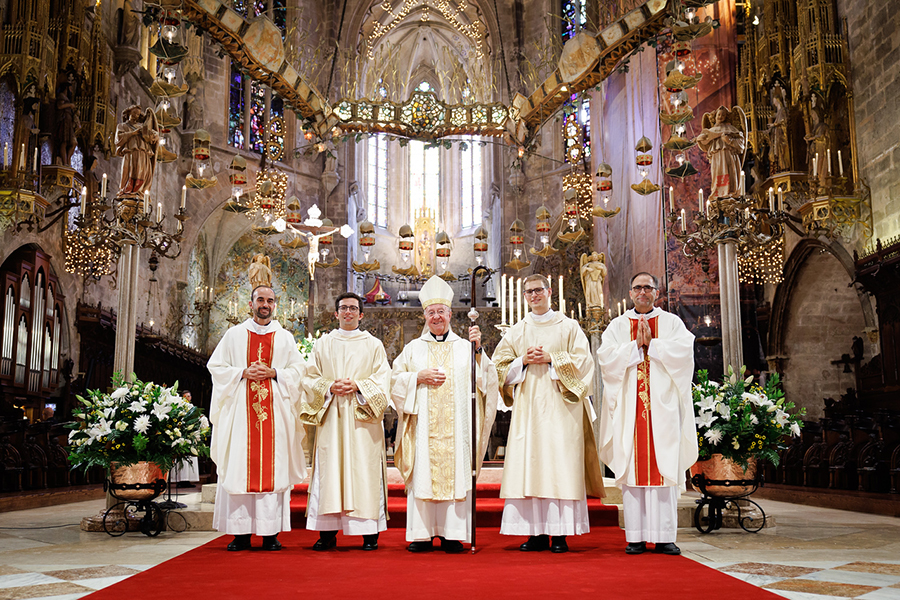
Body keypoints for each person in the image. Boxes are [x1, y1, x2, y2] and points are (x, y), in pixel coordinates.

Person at [492, 274, 605, 554]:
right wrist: (523, 361)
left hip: (562, 409)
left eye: (538, 290)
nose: (534, 295)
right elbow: (498, 365)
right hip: (528, 409)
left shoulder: (568, 326)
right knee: (532, 464)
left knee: (560, 465)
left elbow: (585, 361)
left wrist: (553, 359)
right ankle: (536, 533)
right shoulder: (518, 330)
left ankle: (560, 534)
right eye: (529, 292)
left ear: (549, 291)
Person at [390, 275, 499, 553]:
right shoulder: (413, 349)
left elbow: (487, 381)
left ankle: (452, 534)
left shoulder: (466, 347)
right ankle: (422, 534)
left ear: (450, 315)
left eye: (441, 312)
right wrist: (416, 377)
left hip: (457, 431)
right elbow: (394, 381)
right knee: (424, 474)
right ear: (424, 316)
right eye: (431, 312)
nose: (436, 317)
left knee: (456, 474)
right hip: (423, 428)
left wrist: (480, 351)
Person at [597, 273, 697, 556]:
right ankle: (636, 537)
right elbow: (606, 359)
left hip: (662, 408)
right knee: (632, 470)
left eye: (648, 287)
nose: (643, 292)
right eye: (638, 287)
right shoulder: (617, 326)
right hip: (630, 407)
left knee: (663, 468)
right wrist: (634, 347)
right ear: (630, 293)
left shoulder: (671, 323)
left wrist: (653, 345)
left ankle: (665, 537)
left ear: (657, 292)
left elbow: (684, 354)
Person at [207, 285, 307, 551]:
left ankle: (270, 533)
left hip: (275, 414)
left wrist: (274, 373)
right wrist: (243, 372)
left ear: (276, 305)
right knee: (240, 466)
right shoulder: (234, 335)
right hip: (241, 413)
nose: (265, 304)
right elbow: (215, 367)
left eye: (270, 300)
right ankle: (240, 534)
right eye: (260, 299)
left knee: (273, 468)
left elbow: (299, 370)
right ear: (250, 304)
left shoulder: (285, 337)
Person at [300, 292, 391, 551]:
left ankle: (369, 532)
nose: (348, 312)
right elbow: (308, 378)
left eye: (353, 308)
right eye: (343, 308)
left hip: (363, 422)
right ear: (336, 313)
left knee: (364, 471)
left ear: (361, 314)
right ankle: (327, 533)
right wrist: (329, 387)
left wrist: (359, 386)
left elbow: (384, 379)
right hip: (331, 419)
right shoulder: (323, 344)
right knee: (330, 471)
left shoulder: (373, 345)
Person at [695, 106, 745, 199]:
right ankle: (718, 193)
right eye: (719, 114)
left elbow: (741, 143)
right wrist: (700, 140)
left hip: (730, 156)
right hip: (717, 157)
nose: (720, 117)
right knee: (718, 173)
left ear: (726, 117)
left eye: (723, 115)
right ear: (715, 116)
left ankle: (731, 191)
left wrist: (729, 141)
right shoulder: (710, 131)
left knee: (730, 173)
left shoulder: (731, 129)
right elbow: (705, 145)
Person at [115, 105, 159, 198]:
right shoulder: (122, 126)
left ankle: (138, 190)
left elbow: (152, 136)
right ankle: (126, 190)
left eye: (138, 114)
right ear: (129, 113)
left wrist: (154, 135)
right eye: (134, 113)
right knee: (128, 171)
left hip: (143, 152)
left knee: (141, 171)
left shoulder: (142, 127)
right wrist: (133, 133)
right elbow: (118, 139)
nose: (136, 116)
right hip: (130, 152)